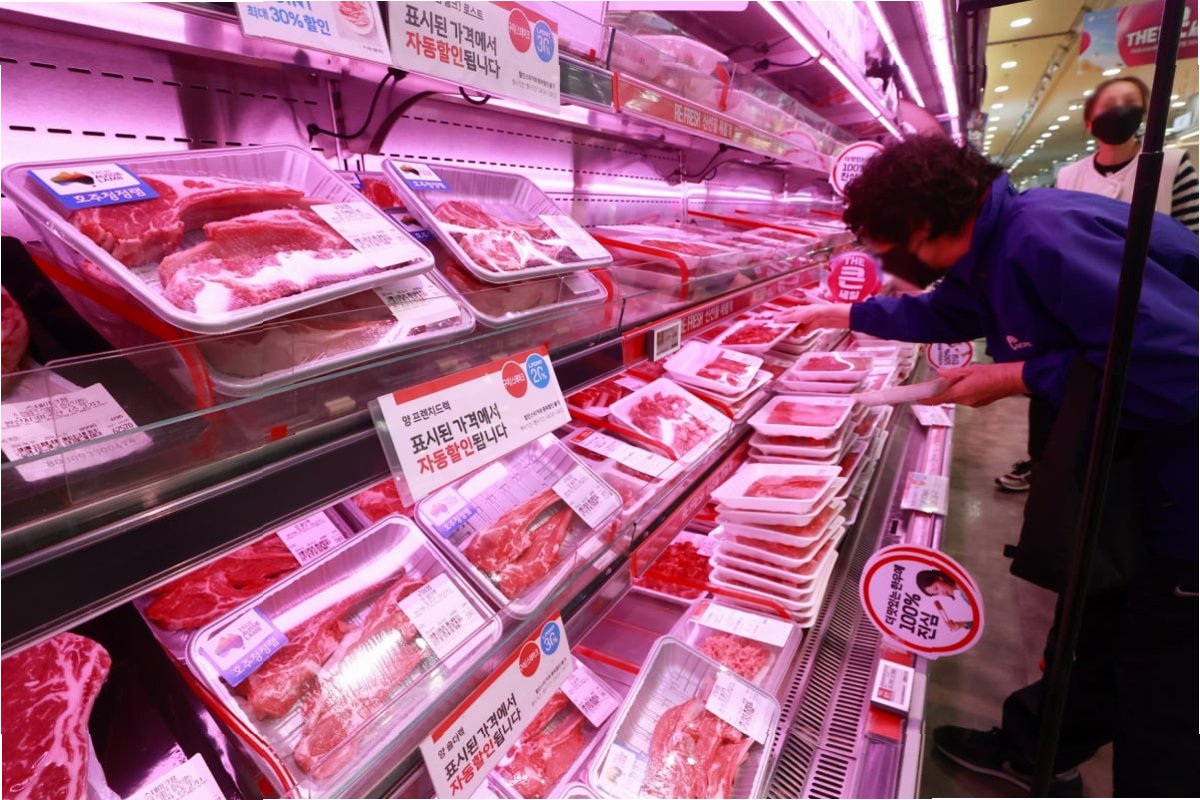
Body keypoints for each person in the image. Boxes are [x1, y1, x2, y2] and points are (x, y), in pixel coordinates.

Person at [778, 134, 1198, 796]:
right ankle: (1037, 753)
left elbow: (1179, 365)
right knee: (1096, 627)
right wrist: (846, 313)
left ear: (923, 224)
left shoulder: (1044, 239)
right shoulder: (997, 243)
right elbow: (949, 310)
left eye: (890, 247)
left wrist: (1015, 376)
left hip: (1181, 494)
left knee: (1161, 683)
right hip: (1132, 475)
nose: (890, 263)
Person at [996, 75, 1200, 493]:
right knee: (1063, 414)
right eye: (1110, 104)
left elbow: (1191, 246)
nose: (1121, 111)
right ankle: (1047, 471)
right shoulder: (1070, 175)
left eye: (1130, 103)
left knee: (1128, 431)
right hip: (1074, 321)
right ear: (1090, 121)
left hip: (1149, 317)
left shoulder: (1171, 166)